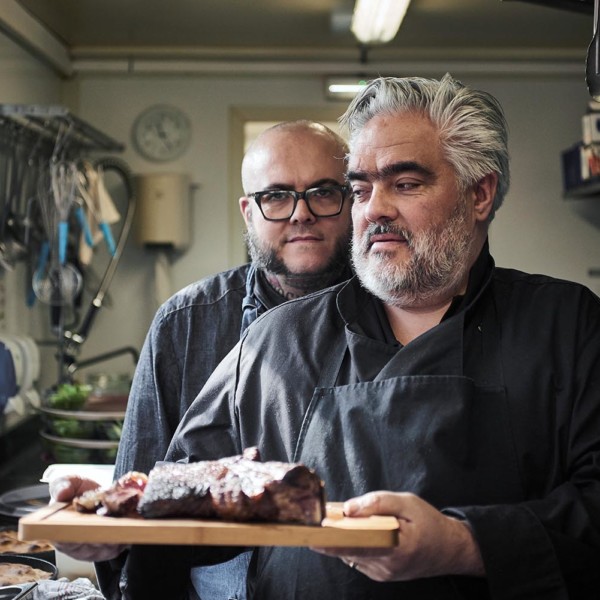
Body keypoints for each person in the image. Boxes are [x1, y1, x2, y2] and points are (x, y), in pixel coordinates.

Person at [57, 74, 600, 599]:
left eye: (405, 184)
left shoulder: (567, 324)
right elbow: (191, 497)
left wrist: (465, 544)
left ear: (480, 193)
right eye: (361, 189)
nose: (376, 210)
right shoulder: (275, 342)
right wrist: (118, 520)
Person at [52, 119, 353, 600]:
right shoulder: (185, 322)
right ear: (247, 211)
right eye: (275, 196)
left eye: (322, 192)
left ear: (353, 199)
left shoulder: (396, 317)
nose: (301, 214)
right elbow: (143, 490)